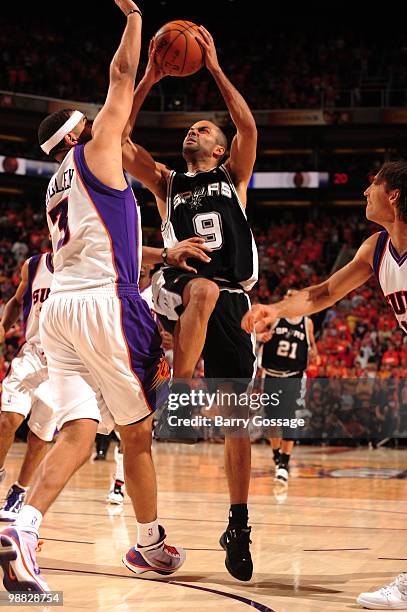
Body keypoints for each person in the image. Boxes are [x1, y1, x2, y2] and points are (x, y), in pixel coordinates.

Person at [0, 1, 205, 593]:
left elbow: (99, 244)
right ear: (82, 130)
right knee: (137, 432)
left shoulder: (57, 182)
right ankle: (147, 544)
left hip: (59, 313)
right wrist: (137, 20)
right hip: (104, 306)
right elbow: (118, 80)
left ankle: (23, 526)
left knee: (81, 429)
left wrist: (163, 255)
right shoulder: (97, 150)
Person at [122, 27, 258, 582]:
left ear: (219, 148)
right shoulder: (167, 183)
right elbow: (120, 142)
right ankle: (176, 396)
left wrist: (216, 68)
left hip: (233, 302)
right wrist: (150, 76)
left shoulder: (233, 176)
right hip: (178, 288)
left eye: (202, 128)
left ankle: (239, 520)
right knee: (199, 289)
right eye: (190, 127)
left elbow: (247, 125)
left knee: (238, 422)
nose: (191, 130)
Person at [241, 160, 407, 609]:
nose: (363, 193)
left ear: (393, 195)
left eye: (371, 185)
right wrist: (275, 309)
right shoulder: (377, 247)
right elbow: (322, 295)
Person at [0, 252, 56, 521]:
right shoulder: (34, 265)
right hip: (32, 353)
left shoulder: (87, 267)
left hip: (65, 361)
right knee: (8, 420)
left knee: (40, 436)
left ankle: (19, 491)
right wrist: (3, 325)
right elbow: (16, 300)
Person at [258, 289, 317, 485]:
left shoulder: (307, 322)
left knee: (289, 418)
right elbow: (254, 333)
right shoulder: (273, 318)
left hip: (294, 376)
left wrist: (315, 355)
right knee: (272, 420)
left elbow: (313, 349)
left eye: (290, 297)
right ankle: (277, 455)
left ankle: (284, 462)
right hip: (271, 375)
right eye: (285, 297)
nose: (286, 299)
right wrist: (261, 338)